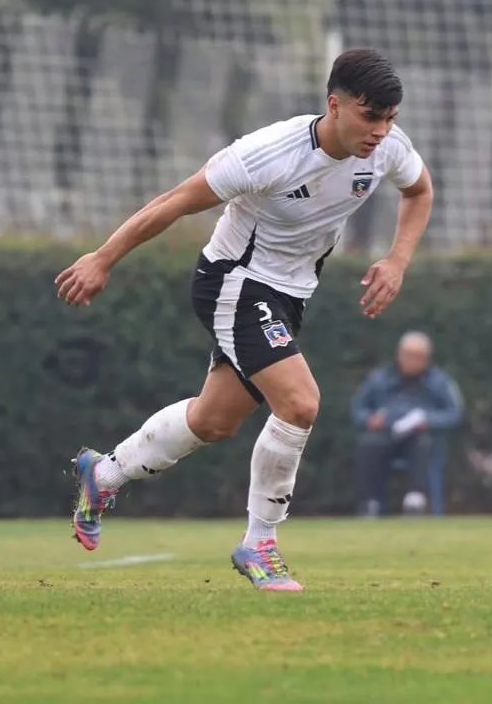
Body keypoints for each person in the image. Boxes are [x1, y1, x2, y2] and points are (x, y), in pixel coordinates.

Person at [53, 48, 434, 592]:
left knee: (214, 421)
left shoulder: (387, 149)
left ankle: (104, 472)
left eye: (390, 119)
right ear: (336, 105)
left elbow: (420, 191)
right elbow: (176, 201)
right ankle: (260, 543)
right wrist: (102, 258)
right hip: (234, 280)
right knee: (300, 402)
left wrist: (397, 261)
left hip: (290, 295)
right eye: (371, 117)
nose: (381, 131)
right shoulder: (268, 153)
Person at [350, 331, 463, 516]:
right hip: (384, 434)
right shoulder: (378, 378)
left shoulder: (440, 382)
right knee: (368, 444)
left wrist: (429, 420)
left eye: (418, 357)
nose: (412, 361)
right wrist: (369, 419)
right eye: (408, 355)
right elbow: (358, 408)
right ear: (399, 355)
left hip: (420, 436)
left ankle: (415, 500)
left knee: (422, 443)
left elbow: (454, 413)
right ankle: (371, 503)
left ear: (427, 358)